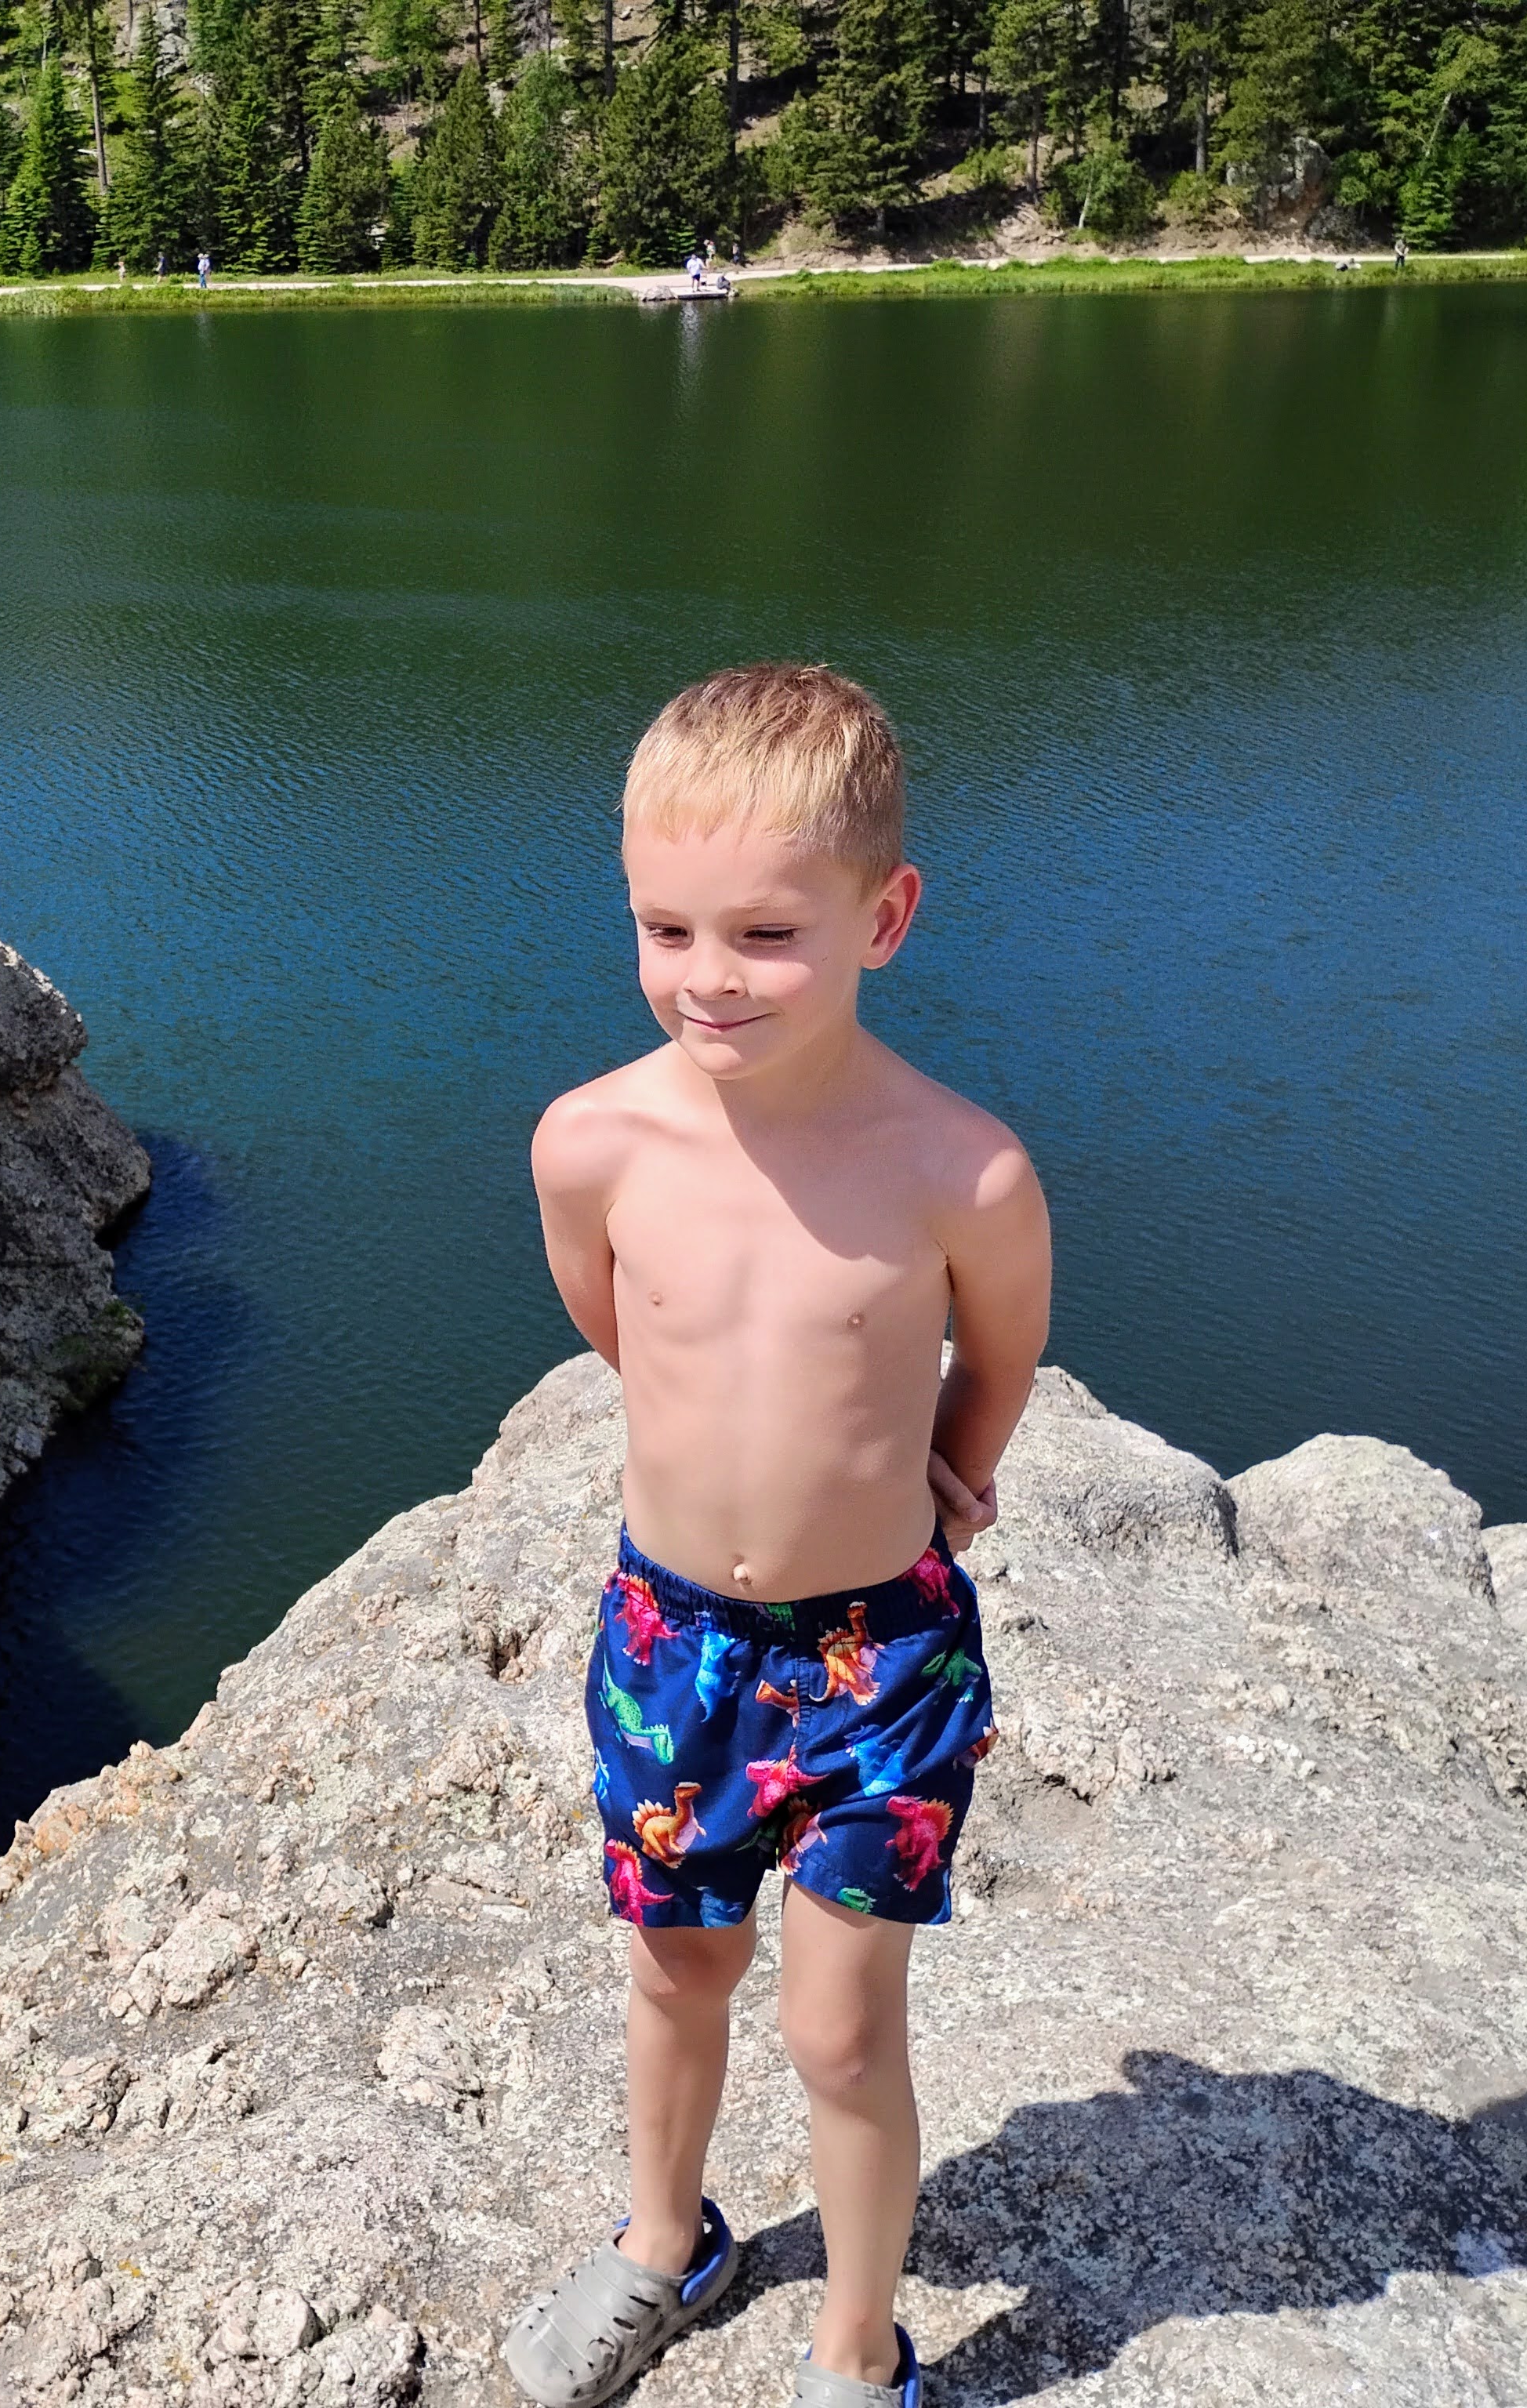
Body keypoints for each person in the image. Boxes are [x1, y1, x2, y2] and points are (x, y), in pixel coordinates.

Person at [503, 663, 1052, 2408]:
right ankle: (666, 2240)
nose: (707, 977)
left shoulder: (963, 1171)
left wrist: (949, 1469)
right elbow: (621, 1329)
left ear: (884, 918)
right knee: (677, 1970)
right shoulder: (593, 1143)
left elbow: (1002, 1356)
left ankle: (856, 2344)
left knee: (839, 2029)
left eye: (765, 935)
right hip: (672, 1642)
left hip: (880, 1660)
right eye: (666, 929)